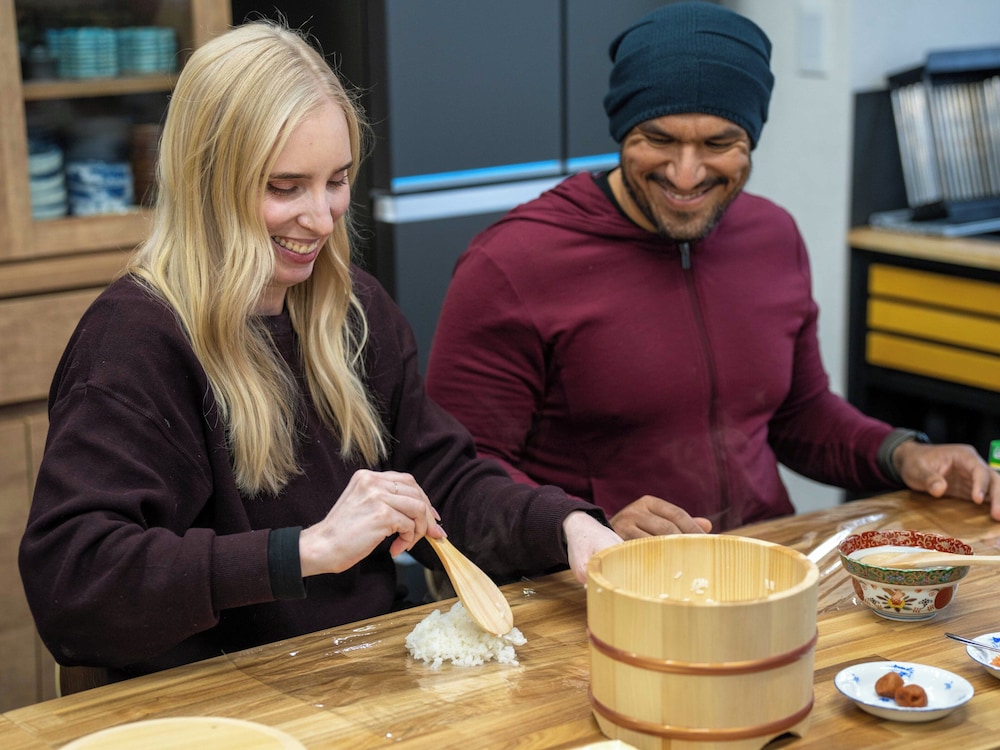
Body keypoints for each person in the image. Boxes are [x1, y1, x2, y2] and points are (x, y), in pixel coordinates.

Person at [18, 21, 621, 683]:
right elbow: (75, 588)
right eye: (284, 188)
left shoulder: (355, 308)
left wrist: (567, 527)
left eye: (336, 180)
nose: (322, 217)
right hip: (213, 700)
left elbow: (442, 482)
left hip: (358, 671)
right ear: (205, 184)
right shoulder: (133, 342)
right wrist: (307, 551)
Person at [425, 1, 1000, 539]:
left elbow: (798, 414)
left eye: (720, 143)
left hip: (758, 564)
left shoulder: (773, 237)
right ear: (623, 133)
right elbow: (456, 479)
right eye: (658, 139)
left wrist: (904, 454)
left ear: (752, 139)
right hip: (588, 586)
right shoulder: (514, 263)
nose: (685, 173)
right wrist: (578, 525)